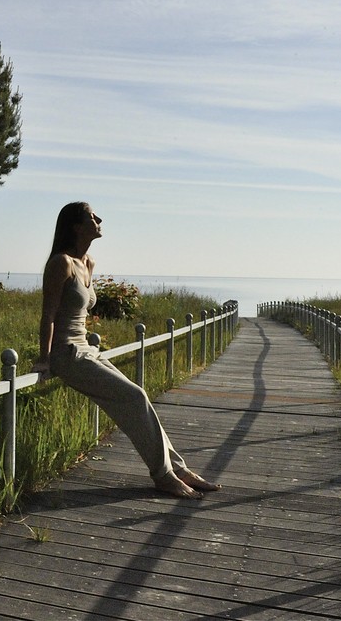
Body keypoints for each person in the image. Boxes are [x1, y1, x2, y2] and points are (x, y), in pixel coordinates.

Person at [29, 201, 220, 499]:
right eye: (92, 216)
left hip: (87, 349)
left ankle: (178, 469)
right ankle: (164, 475)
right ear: (76, 226)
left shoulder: (88, 262)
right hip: (67, 353)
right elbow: (48, 315)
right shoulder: (61, 263)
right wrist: (44, 358)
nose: (99, 219)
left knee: (137, 396)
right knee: (135, 396)